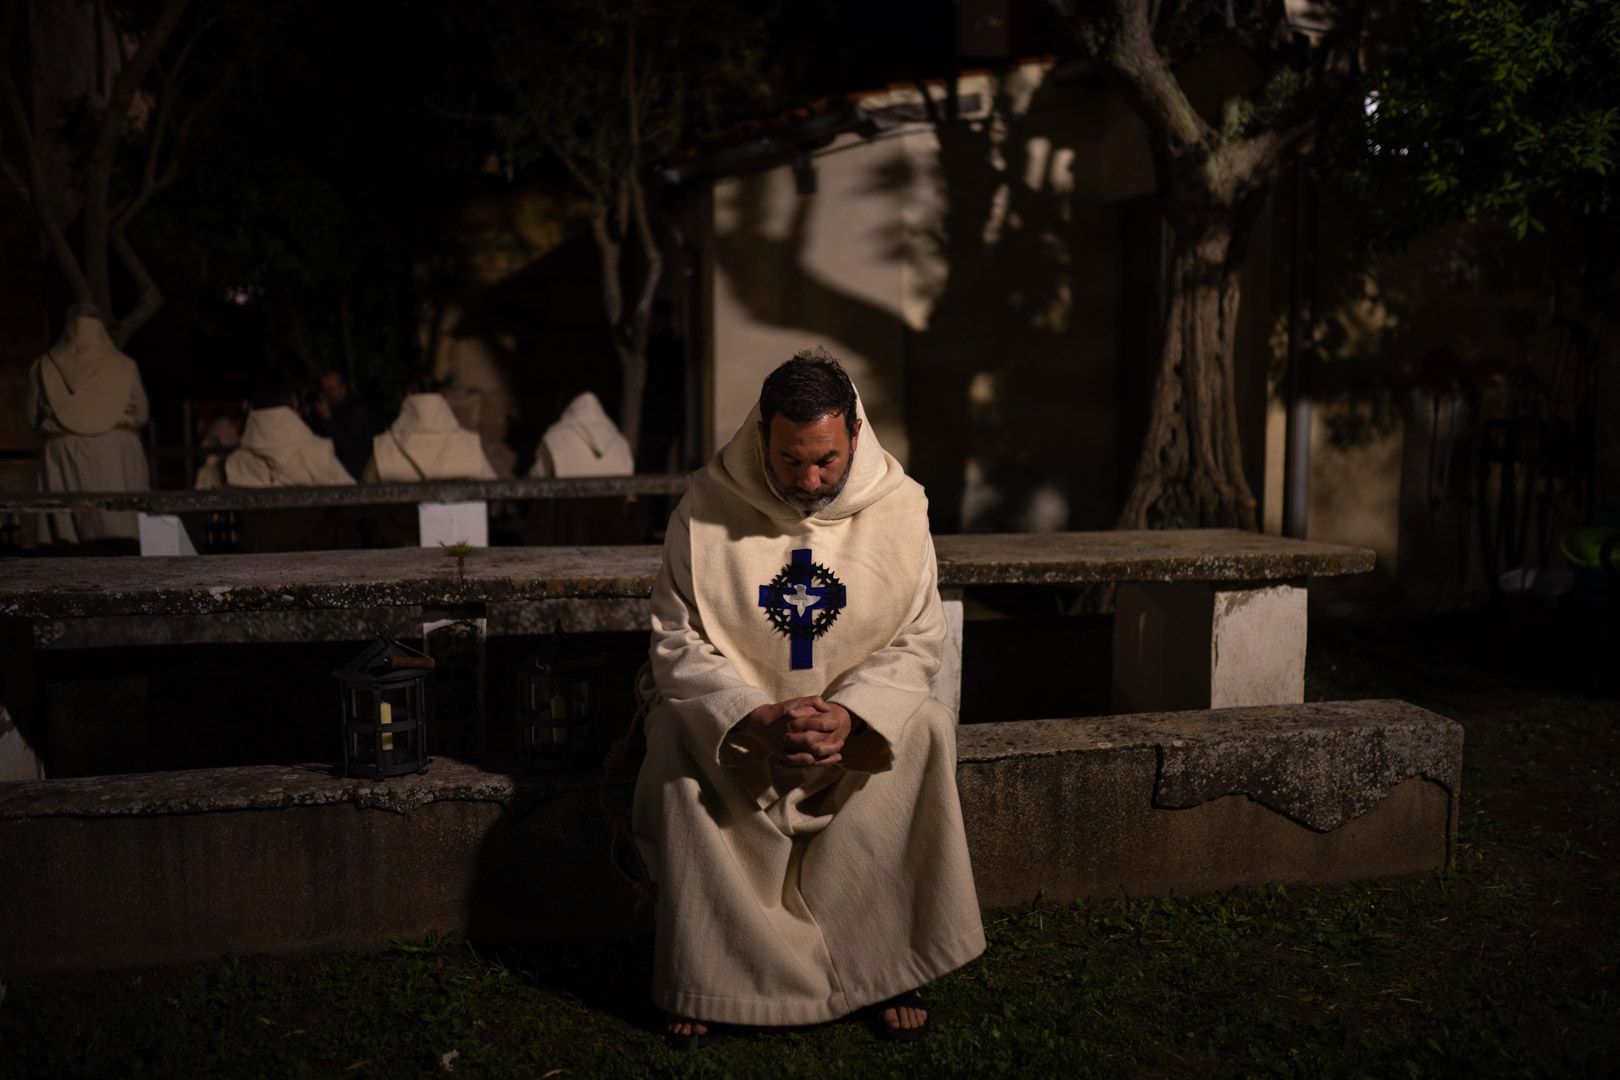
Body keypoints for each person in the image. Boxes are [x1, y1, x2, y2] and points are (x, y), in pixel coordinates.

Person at [631, 351, 984, 1046]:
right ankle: (708, 970)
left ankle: (887, 964)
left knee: (927, 730)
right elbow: (675, 641)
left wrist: (853, 714)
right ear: (762, 433)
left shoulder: (902, 508)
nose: (810, 479)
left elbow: (918, 640)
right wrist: (752, 717)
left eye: (825, 459)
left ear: (854, 430)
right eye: (791, 460)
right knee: (672, 735)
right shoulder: (704, 510)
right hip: (739, 741)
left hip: (848, 743)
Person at [25, 304, 150, 552]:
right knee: (119, 529)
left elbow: (31, 416)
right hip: (117, 451)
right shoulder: (124, 365)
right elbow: (142, 413)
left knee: (69, 535)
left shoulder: (43, 365)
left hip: (63, 451)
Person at [361, 380, 497, 482]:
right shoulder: (468, 445)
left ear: (408, 394)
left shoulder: (384, 447)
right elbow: (493, 489)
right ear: (441, 395)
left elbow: (364, 492)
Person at [224, 388, 356, 487]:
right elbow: (352, 496)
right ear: (289, 412)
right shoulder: (318, 454)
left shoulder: (235, 464)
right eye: (297, 407)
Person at [528, 391, 634, 478]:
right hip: (611, 504)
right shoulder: (622, 443)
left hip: (565, 504)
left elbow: (534, 481)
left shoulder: (553, 439)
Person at [309, 369, 378, 480]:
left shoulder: (358, 411)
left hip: (355, 475)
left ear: (343, 388)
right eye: (325, 390)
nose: (327, 394)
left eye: (331, 389)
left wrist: (328, 420)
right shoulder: (329, 410)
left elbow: (348, 447)